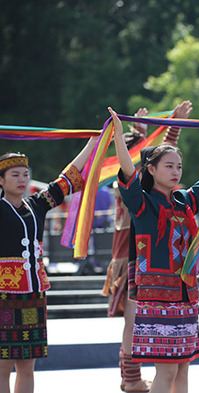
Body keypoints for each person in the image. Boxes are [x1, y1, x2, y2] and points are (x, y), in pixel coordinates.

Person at [110, 106, 199, 393]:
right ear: (150, 170)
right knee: (166, 371)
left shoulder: (184, 202)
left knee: (183, 369)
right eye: (169, 166)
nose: (176, 171)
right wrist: (117, 134)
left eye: (179, 166)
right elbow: (127, 172)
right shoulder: (143, 205)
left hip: (185, 295)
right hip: (157, 297)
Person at [102, 101, 191, 392]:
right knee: (132, 320)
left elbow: (163, 157)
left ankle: (132, 378)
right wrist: (132, 134)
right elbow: (150, 162)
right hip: (133, 258)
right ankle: (130, 378)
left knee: (135, 321)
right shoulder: (132, 190)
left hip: (145, 255)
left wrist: (168, 126)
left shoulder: (155, 190)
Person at [0, 136, 97, 393]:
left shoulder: (36, 205)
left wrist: (91, 145)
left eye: (25, 174)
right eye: (15, 175)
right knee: (2, 365)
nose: (22, 179)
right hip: (3, 294)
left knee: (27, 365)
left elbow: (66, 180)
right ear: (1, 180)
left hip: (33, 294)